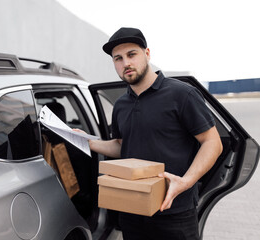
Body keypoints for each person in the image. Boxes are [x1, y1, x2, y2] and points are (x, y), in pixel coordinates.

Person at [88, 27, 222, 240]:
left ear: (147, 54)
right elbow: (123, 146)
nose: (126, 64)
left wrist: (185, 182)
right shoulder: (121, 104)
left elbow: (212, 142)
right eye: (118, 59)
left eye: (132, 54)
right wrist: (89, 142)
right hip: (132, 209)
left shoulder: (181, 94)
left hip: (174, 211)